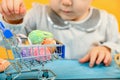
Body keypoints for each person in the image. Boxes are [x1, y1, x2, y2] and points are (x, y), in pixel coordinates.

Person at [0, 0, 119, 68]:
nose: (66, 2)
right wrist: (13, 20)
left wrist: (106, 48)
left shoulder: (107, 21)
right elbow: (10, 44)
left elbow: (117, 44)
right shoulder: (36, 15)